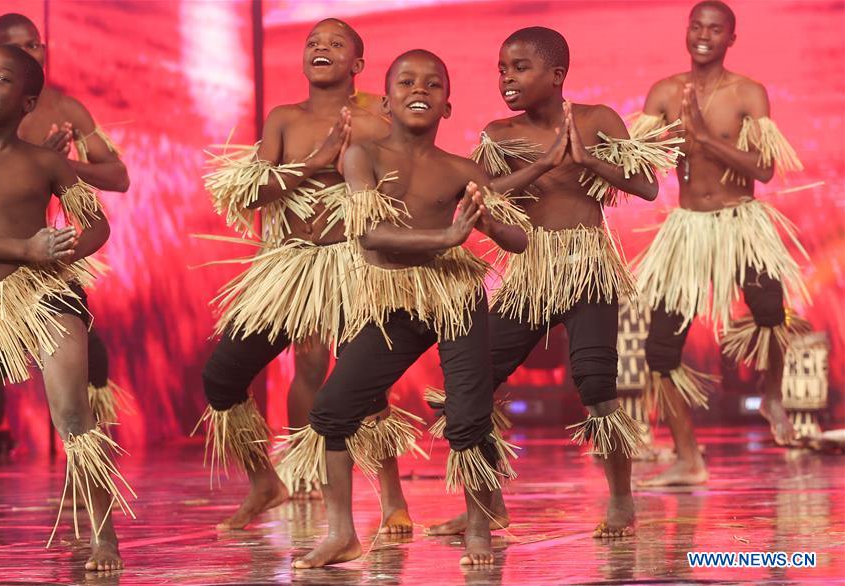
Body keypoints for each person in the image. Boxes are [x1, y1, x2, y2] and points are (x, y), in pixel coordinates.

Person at [429, 26, 679, 539]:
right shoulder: (499, 133)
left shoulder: (598, 119)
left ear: (557, 75)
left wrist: (588, 160)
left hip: (588, 262)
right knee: (472, 382)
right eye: (502, 69)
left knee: (595, 383)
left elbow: (648, 186)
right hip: (532, 270)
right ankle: (489, 502)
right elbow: (481, 193)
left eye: (520, 68)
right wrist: (542, 164)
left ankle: (622, 500)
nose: (507, 79)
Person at [282, 49, 529, 568]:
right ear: (386, 102)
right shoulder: (362, 156)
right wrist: (447, 235)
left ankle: (480, 529)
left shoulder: (461, 169)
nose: (421, 89)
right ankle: (342, 534)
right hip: (394, 299)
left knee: (468, 417)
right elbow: (371, 234)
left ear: (448, 106)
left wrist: (486, 225)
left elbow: (518, 239)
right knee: (330, 412)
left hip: (455, 296)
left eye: (434, 84)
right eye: (408, 82)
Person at [196, 18, 424, 531]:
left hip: (352, 266)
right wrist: (316, 161)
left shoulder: (374, 126)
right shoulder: (283, 119)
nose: (321, 48)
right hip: (288, 268)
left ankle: (392, 500)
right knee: (221, 377)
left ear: (357, 66)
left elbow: (402, 194)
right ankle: (264, 481)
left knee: (365, 384)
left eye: (335, 43)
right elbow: (250, 194)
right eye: (313, 42)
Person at [0, 45, 133, 572]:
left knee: (74, 414)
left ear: (28, 102)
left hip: (47, 297)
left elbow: (97, 223)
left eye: (2, 79)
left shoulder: (45, 161)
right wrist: (25, 248)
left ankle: (104, 538)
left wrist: (61, 249)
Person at [632, 1, 810, 487]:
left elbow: (765, 169)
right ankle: (688, 458)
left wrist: (705, 139)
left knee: (772, 312)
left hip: (740, 223)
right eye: (697, 26)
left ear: (732, 38)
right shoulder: (664, 93)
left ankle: (773, 396)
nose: (704, 35)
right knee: (659, 351)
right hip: (688, 231)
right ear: (686, 32)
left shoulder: (748, 92)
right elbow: (636, 163)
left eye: (715, 29)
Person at [0, 13, 131, 423]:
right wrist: (22, 249)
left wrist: (57, 165)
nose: (31, 52)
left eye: (34, 45)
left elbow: (113, 188)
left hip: (44, 279)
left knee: (76, 406)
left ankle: (86, 469)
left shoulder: (64, 110)